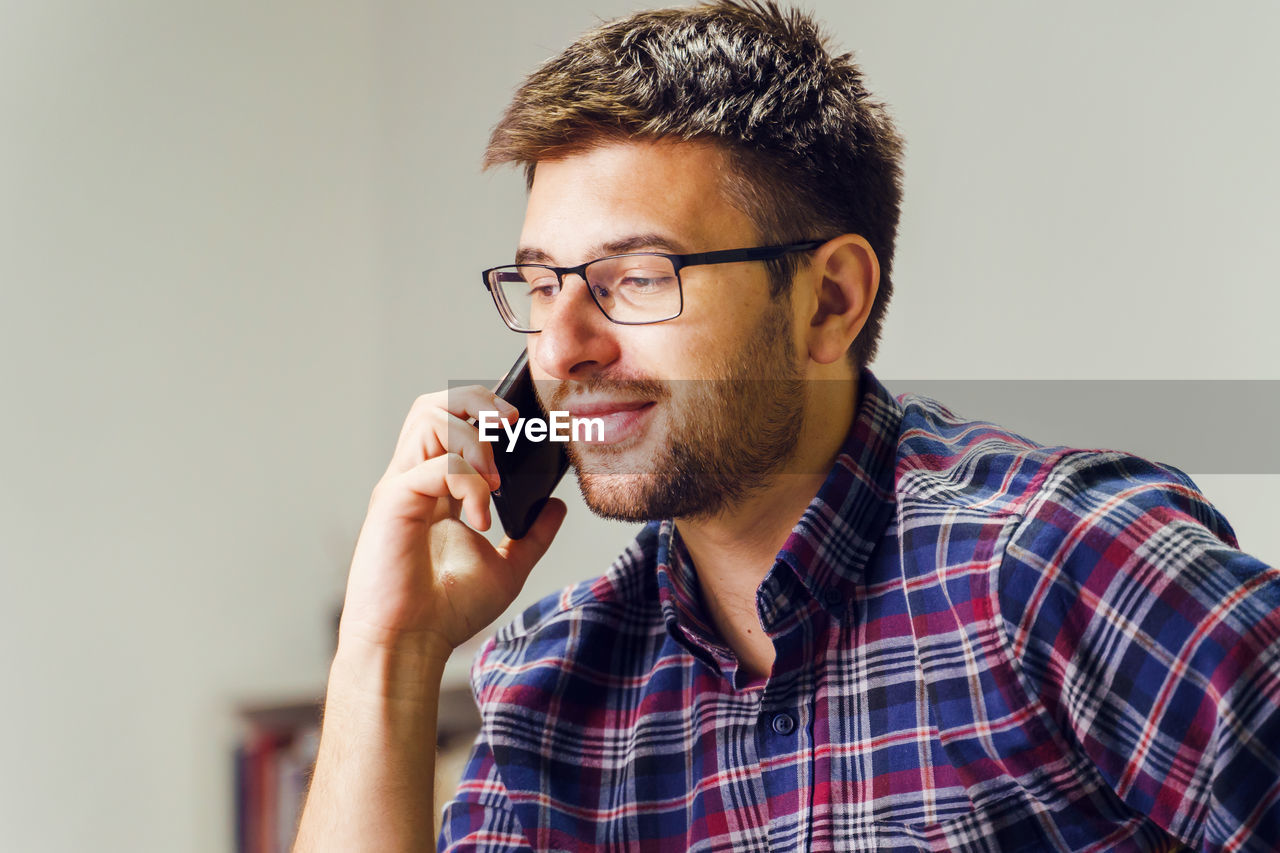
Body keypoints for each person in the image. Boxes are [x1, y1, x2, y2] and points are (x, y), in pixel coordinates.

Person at [293, 2, 1280, 850]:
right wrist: (391, 650)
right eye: (540, 283)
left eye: (635, 278)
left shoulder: (1065, 564)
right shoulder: (555, 689)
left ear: (827, 300)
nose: (560, 350)